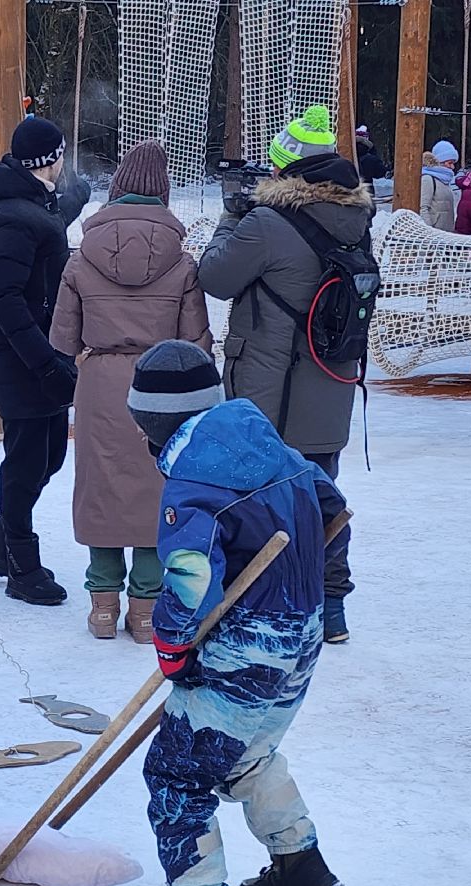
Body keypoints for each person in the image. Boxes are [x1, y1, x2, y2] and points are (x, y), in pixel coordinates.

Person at [120, 340, 347, 886]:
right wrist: (313, 587)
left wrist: (171, 645)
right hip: (298, 634)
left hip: (242, 646)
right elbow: (333, 508)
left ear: (150, 424)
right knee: (246, 754)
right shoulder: (269, 444)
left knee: (177, 773)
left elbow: (192, 577)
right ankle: (298, 863)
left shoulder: (194, 480)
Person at [197, 104, 370, 644]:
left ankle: (263, 610)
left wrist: (233, 217)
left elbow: (215, 276)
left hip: (267, 396)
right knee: (322, 495)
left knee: (257, 500)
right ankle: (332, 610)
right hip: (331, 384)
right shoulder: (357, 221)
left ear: (285, 170)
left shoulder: (267, 224)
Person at [48, 139, 212, 641]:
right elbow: (197, 343)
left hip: (99, 383)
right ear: (162, 194)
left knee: (102, 487)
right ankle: (144, 611)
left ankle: (101, 607)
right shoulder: (182, 262)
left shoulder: (81, 260)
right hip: (162, 388)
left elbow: (63, 338)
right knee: (153, 488)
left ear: (116, 189)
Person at [0, 115, 92, 605]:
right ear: (52, 160)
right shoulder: (10, 218)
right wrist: (43, 361)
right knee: (25, 463)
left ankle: (2, 549)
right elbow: (3, 300)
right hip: (24, 358)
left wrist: (74, 198)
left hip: (42, 355)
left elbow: (46, 223)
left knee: (50, 457)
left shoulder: (28, 203)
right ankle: (21, 565)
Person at [420, 140, 460, 232]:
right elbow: (423, 208)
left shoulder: (445, 180)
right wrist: (429, 232)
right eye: (449, 163)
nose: (452, 167)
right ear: (440, 161)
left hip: (445, 235)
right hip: (434, 236)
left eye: (453, 163)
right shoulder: (428, 178)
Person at [354, 125, 387, 191]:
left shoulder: (344, 157)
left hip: (348, 191)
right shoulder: (372, 159)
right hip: (366, 191)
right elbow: (380, 173)